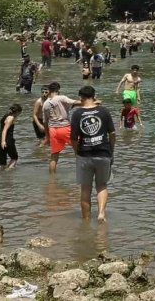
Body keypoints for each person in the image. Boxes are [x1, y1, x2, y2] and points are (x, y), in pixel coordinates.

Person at [70, 85, 116, 221]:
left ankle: (86, 220)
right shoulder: (104, 111)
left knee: (85, 189)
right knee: (102, 185)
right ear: (94, 96)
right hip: (103, 153)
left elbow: (73, 138)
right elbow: (112, 133)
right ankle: (101, 213)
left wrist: (76, 152)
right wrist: (111, 150)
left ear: (81, 97)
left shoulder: (77, 114)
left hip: (84, 155)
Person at [43, 82, 77, 173]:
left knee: (54, 155)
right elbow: (75, 102)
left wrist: (47, 137)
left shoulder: (45, 103)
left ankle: (52, 179)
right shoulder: (61, 98)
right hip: (65, 127)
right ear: (58, 90)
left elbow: (45, 122)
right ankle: (83, 172)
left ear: (49, 90)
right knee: (78, 150)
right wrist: (92, 102)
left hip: (53, 129)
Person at [0, 104, 22, 170]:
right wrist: (3, 141)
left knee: (2, 163)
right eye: (19, 113)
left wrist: (1, 141)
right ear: (17, 112)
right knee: (14, 158)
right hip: (7, 140)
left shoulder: (5, 116)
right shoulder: (11, 118)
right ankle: (8, 173)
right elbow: (5, 130)